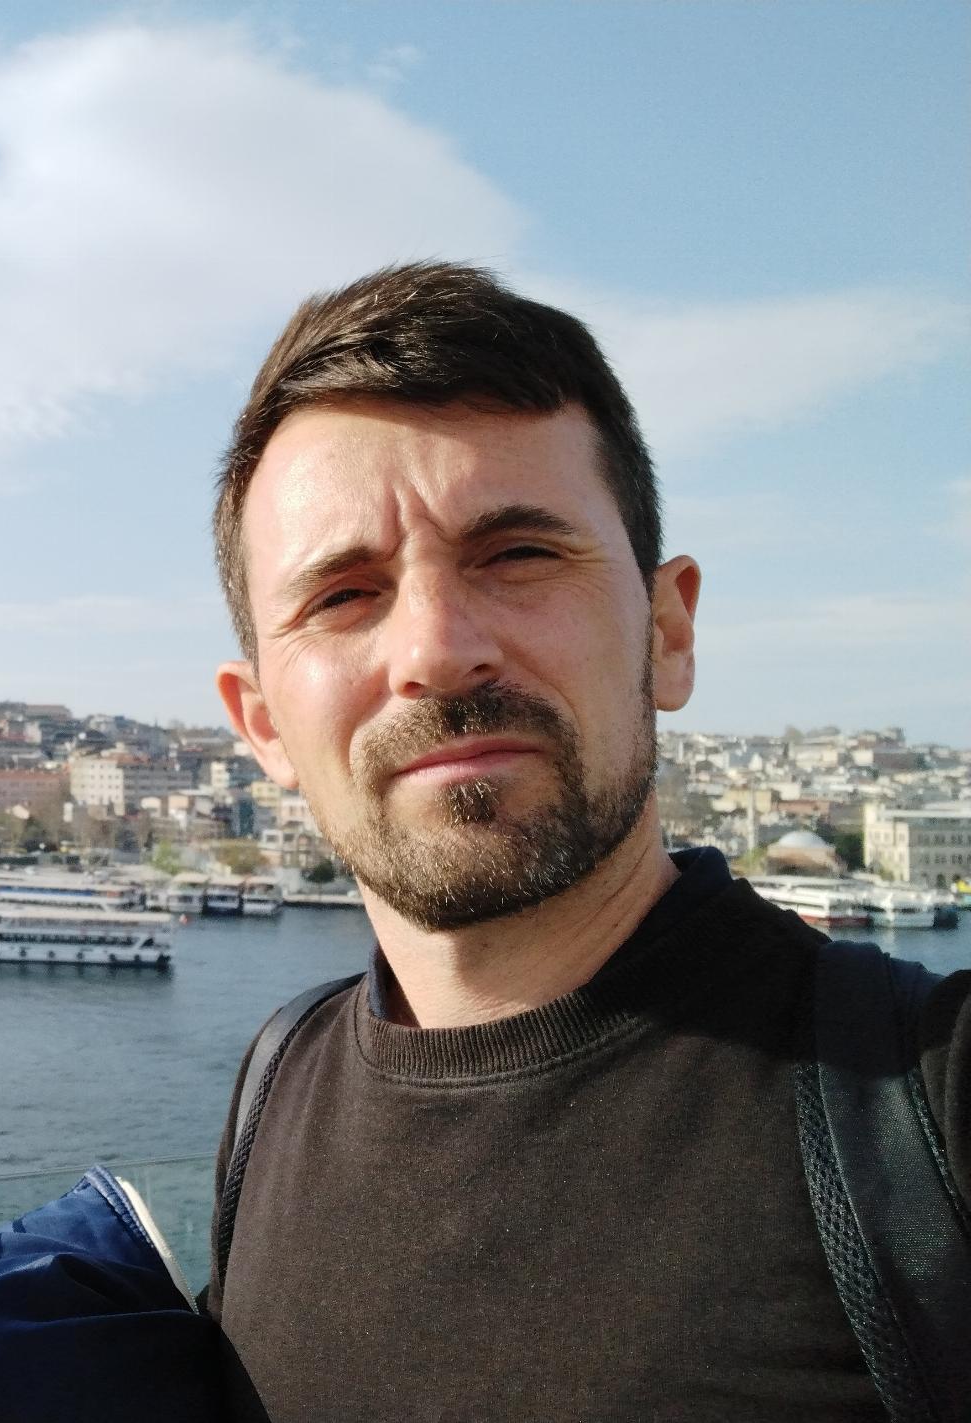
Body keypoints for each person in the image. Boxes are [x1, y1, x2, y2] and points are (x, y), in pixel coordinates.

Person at [200, 262, 969, 1418]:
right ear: (262, 723)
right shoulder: (272, 1096)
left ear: (668, 632)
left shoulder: (931, 1108)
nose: (437, 650)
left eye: (517, 555)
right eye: (343, 595)